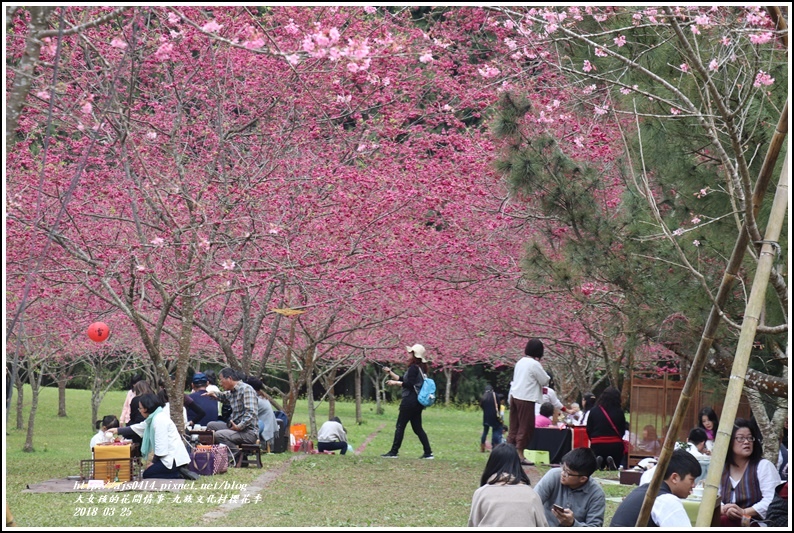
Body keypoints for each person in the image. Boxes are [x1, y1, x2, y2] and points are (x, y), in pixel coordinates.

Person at [610, 448, 701, 527]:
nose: (693, 485)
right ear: (674, 478)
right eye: (691, 480)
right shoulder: (667, 500)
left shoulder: (640, 491)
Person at [719, 418, 781, 527]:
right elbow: (712, 497)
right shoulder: (721, 469)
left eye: (749, 438)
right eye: (740, 438)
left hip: (756, 522)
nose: (747, 442)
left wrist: (744, 512)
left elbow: (772, 500)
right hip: (727, 518)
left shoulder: (763, 466)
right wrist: (725, 508)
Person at [468, 442, 548, 527]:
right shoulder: (532, 494)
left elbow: (473, 524)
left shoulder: (481, 493)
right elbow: (542, 524)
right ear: (517, 465)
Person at [381, 344, 433, 459]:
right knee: (417, 428)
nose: (408, 354)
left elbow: (409, 384)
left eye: (410, 352)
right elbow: (403, 379)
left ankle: (394, 452)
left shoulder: (414, 368)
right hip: (417, 402)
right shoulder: (421, 368)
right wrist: (390, 373)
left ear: (414, 355)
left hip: (409, 401)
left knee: (400, 426)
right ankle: (428, 452)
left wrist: (394, 383)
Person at [534, 448, 606, 527]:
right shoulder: (553, 476)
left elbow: (595, 526)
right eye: (563, 468)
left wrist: (573, 524)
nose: (563, 474)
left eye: (567, 473)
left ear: (583, 479)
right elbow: (533, 502)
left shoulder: (596, 494)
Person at [134, 393, 198, 480]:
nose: (139, 411)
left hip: (173, 459)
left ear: (146, 409)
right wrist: (117, 430)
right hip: (169, 458)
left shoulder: (158, 420)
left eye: (140, 408)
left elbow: (161, 446)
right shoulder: (154, 417)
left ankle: (179, 474)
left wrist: (153, 462)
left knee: (147, 474)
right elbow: (140, 427)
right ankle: (177, 471)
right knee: (149, 472)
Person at [507, 338, 550, 466]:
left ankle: (508, 453)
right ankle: (520, 454)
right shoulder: (534, 364)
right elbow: (544, 380)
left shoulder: (520, 362)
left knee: (514, 426)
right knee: (526, 426)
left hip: (514, 396)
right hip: (526, 398)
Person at [204, 368, 259, 460]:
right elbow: (224, 396)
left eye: (221, 380)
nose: (221, 383)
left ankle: (235, 456)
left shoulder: (246, 389)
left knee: (219, 435)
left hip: (248, 431)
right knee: (211, 426)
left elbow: (251, 412)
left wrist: (239, 426)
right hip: (234, 428)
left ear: (229, 378)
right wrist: (214, 394)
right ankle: (215, 455)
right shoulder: (233, 392)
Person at [586, 386, 626, 471]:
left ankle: (599, 462)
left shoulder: (594, 411)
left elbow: (589, 429)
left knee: (597, 453)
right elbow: (622, 430)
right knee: (617, 452)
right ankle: (613, 462)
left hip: (597, 444)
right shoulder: (619, 412)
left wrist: (593, 438)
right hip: (614, 444)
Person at [244, 377, 278, 448]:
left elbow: (246, 415)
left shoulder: (256, 400)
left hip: (264, 434)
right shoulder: (261, 397)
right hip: (269, 432)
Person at [480, 384, 503, 452]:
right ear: (492, 389)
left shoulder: (484, 397)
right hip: (494, 416)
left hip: (486, 417)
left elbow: (482, 406)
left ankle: (482, 447)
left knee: (485, 432)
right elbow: (498, 405)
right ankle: (495, 446)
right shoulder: (495, 395)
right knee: (495, 430)